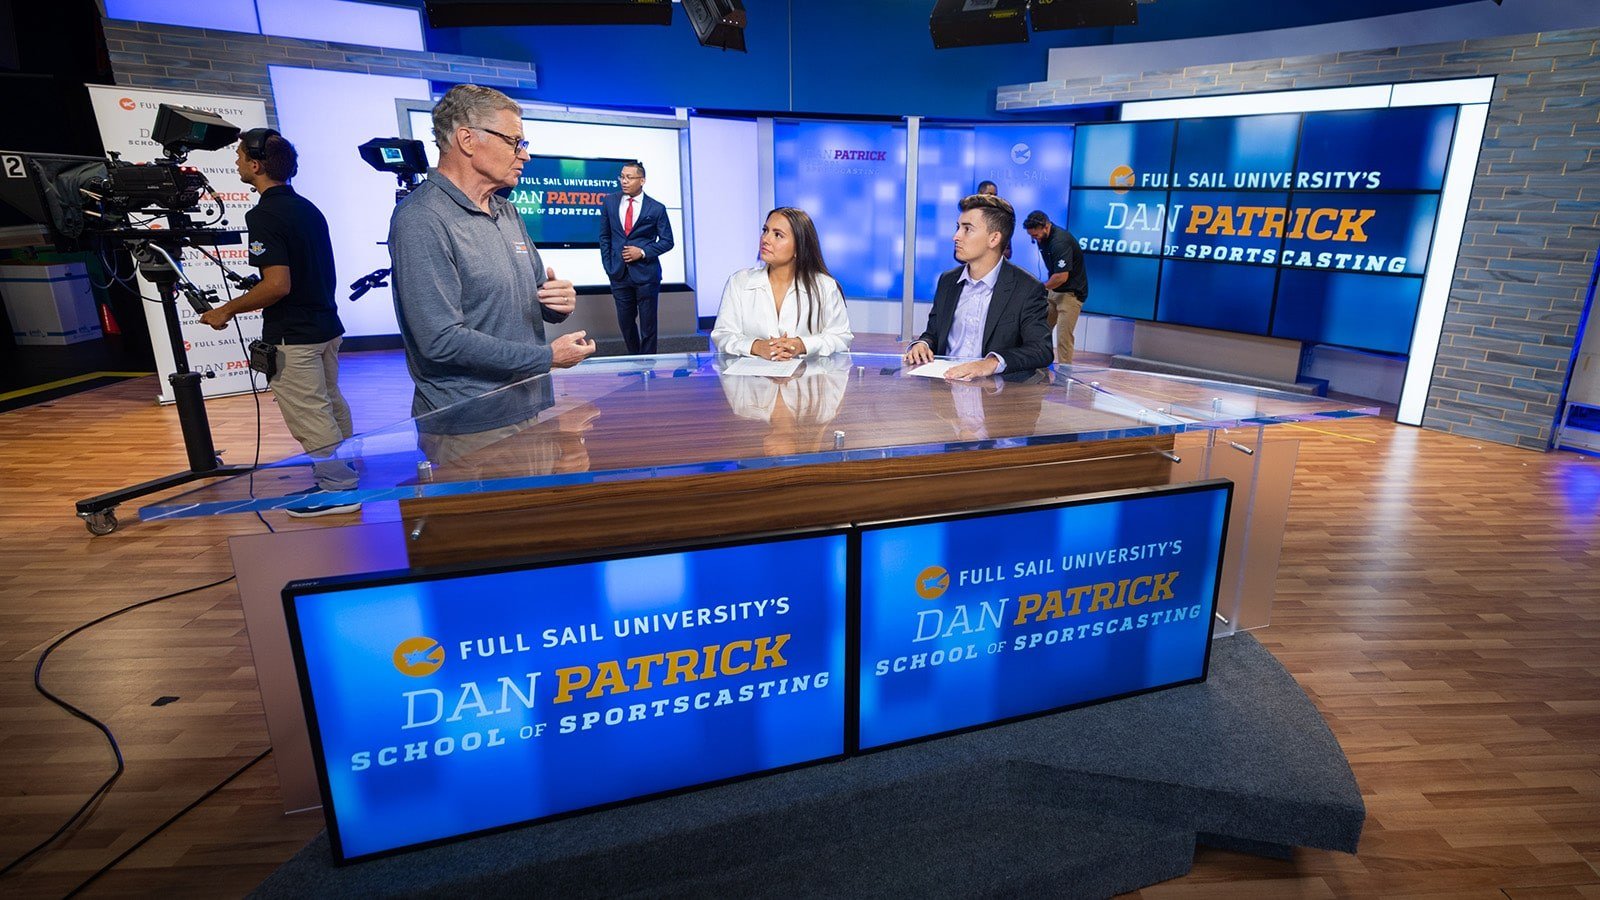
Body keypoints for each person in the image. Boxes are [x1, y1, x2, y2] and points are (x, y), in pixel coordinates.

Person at [388, 84, 595, 457]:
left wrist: (556, 301)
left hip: (529, 407)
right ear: (467, 139)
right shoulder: (422, 219)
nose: (525, 155)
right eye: (514, 141)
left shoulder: (507, 211)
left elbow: (534, 291)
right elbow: (440, 340)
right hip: (469, 425)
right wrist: (547, 358)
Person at [199, 128, 357, 518]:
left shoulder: (265, 215)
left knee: (309, 412)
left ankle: (339, 489)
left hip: (294, 335)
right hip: (325, 328)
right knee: (330, 403)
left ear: (255, 165)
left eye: (239, 156)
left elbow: (278, 285)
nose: (235, 162)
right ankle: (340, 470)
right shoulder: (307, 207)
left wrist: (226, 310)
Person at [904, 194, 1052, 380]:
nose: (955, 236)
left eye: (967, 229)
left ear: (994, 239)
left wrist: (990, 363)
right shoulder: (947, 281)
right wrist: (922, 344)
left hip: (995, 396)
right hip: (944, 389)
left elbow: (1041, 350)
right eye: (958, 228)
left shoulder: (1027, 288)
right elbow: (933, 334)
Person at [711, 207, 853, 360]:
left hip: (808, 379)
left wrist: (801, 345)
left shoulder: (825, 287)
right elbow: (723, 334)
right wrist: (756, 347)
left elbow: (841, 338)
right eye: (765, 230)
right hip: (752, 379)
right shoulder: (739, 282)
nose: (765, 239)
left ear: (799, 247)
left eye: (777, 235)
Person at [598, 161, 674, 355]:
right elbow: (605, 236)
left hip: (646, 274)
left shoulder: (656, 208)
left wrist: (642, 252)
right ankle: (634, 360)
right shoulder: (610, 202)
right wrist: (609, 266)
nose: (624, 181)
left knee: (648, 325)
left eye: (629, 177)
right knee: (626, 322)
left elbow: (667, 241)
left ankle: (648, 366)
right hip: (619, 273)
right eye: (622, 177)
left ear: (642, 180)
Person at [1023, 210, 1089, 364]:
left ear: (1046, 226)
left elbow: (1061, 277)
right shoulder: (1043, 239)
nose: (1035, 240)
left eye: (1036, 235)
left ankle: (1064, 375)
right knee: (1040, 330)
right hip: (1054, 292)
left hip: (1070, 295)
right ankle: (1036, 364)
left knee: (1063, 338)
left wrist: (1040, 288)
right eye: (1031, 237)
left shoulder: (1060, 242)